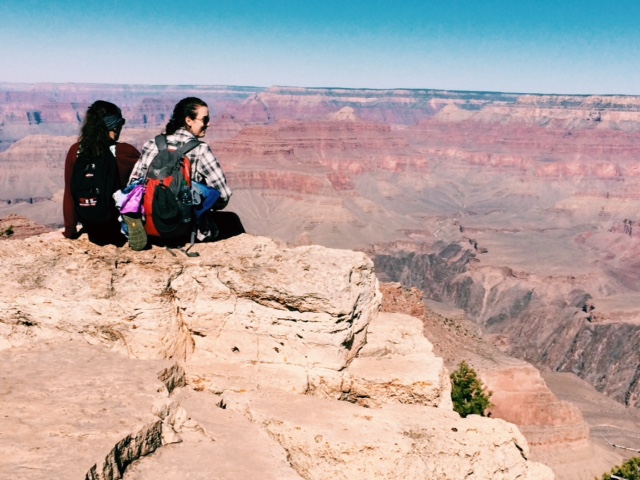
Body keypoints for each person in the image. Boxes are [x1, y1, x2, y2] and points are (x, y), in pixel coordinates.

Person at [128, 97, 241, 247]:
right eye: (205, 119)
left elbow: (132, 185)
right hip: (186, 229)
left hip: (151, 224)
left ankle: (141, 226)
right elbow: (223, 194)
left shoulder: (151, 144)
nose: (208, 124)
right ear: (189, 121)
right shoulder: (200, 149)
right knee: (232, 220)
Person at [63, 100, 140, 246]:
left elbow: (69, 192)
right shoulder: (126, 151)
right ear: (115, 125)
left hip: (90, 226)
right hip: (117, 228)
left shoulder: (75, 151)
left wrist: (70, 231)